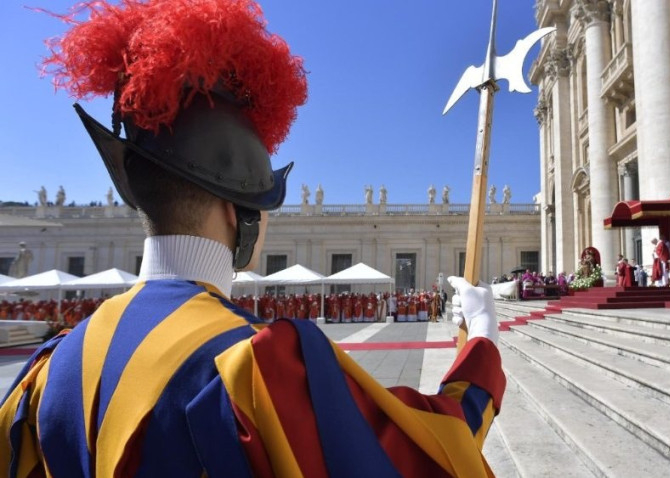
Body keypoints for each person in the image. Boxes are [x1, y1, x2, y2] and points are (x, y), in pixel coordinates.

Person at [0, 2, 505, 476]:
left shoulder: (48, 371)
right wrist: (482, 337)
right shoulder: (255, 366)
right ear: (237, 210)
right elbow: (435, 449)